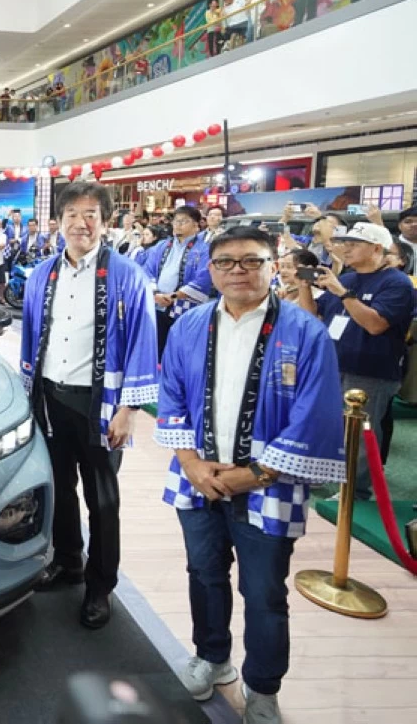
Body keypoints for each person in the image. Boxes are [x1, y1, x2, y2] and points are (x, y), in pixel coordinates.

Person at [156, 226, 346, 724]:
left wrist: (257, 473)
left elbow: (316, 413)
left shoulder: (305, 332)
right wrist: (192, 463)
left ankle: (262, 687)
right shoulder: (190, 325)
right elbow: (172, 394)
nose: (238, 271)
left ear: (272, 263)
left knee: (263, 591)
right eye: (226, 263)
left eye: (251, 261)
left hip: (271, 484)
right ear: (211, 269)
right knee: (203, 573)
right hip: (197, 477)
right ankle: (213, 659)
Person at [23, 183, 158, 630]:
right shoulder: (43, 273)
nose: (81, 222)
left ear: (106, 221)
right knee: (59, 487)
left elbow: (142, 341)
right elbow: (30, 336)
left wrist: (128, 409)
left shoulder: (126, 275)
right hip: (51, 399)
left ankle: (101, 585)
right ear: (57, 221)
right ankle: (68, 561)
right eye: (73, 214)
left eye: (91, 214)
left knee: (102, 499)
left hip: (100, 405)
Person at [297, 222, 415, 500]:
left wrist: (342, 293)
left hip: (371, 370)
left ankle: (356, 490)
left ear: (377, 248)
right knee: (327, 423)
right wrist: (304, 286)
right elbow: (313, 315)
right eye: (344, 243)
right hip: (334, 363)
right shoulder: (348, 279)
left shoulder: (397, 283)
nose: (346, 249)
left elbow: (375, 325)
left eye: (354, 244)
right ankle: (324, 472)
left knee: (361, 433)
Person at [143, 206, 212, 355]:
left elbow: (204, 278)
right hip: (158, 303)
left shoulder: (205, 249)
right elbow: (147, 271)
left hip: (185, 306)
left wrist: (173, 296)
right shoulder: (162, 245)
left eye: (184, 221)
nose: (178, 224)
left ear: (196, 225)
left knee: (180, 350)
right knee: (156, 347)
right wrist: (155, 293)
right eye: (176, 221)